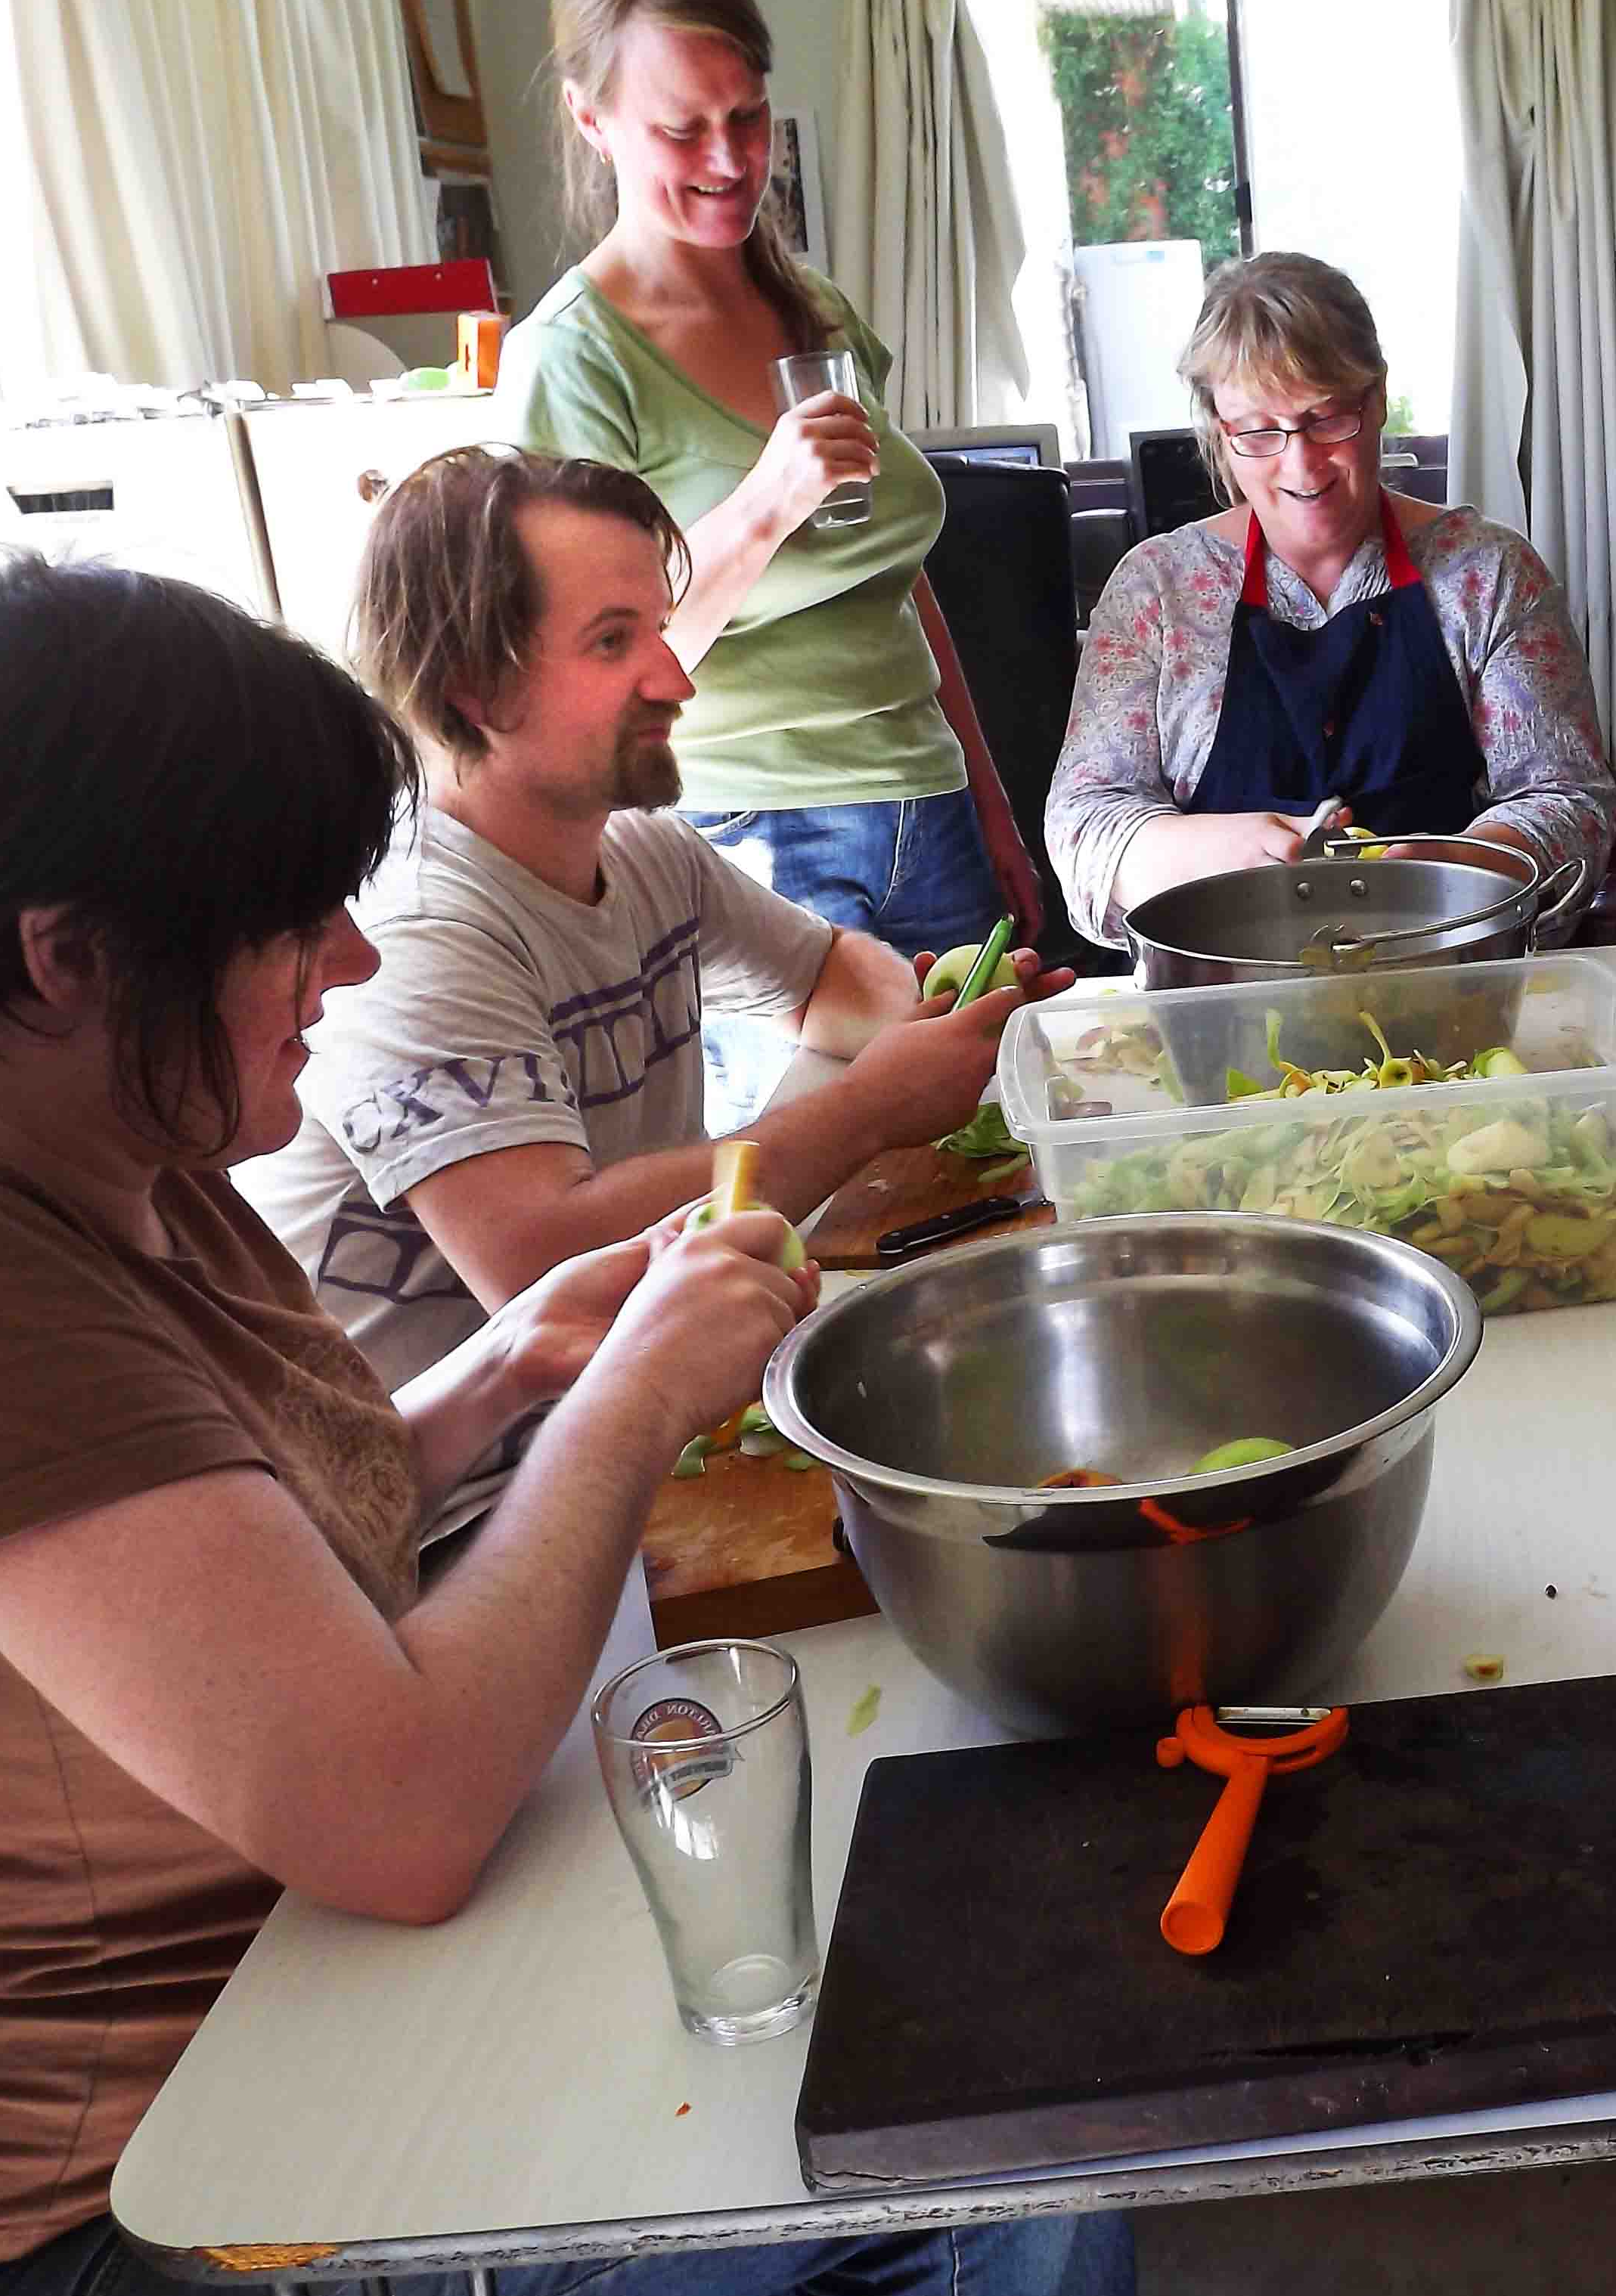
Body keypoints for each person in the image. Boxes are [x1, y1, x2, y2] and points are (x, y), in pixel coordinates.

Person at [0, 557, 1134, 2296]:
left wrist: (504, 1370)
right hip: (135, 2221)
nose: (347, 957)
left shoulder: (107, 1144)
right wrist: (628, 1395)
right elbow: (397, 1813)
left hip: (312, 2014)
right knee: (1012, 2116)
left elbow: (238, 1561)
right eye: (292, 917)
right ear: (65, 955)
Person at [235, 446, 1065, 1538]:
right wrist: (876, 1107)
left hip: (622, 1434)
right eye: (613, 642)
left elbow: (829, 979)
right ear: (474, 687)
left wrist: (930, 1008)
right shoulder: (421, 925)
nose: (677, 679)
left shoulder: (640, 849)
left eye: (660, 630)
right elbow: (541, 1260)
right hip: (446, 1525)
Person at [505, 0, 1007, 1124]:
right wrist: (765, 505)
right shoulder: (569, 362)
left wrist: (988, 793)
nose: (732, 160)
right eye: (685, 128)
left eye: (750, 117)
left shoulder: (813, 307)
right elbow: (600, 664)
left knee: (989, 1147)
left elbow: (897, 574)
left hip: (922, 799)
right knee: (803, 1191)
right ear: (593, 121)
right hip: (745, 832)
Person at [1045, 250, 1616, 949]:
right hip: (1210, 998)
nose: (1301, 463)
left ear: (1375, 401)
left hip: (1448, 973)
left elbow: (1571, 804)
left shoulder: (1489, 575)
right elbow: (1083, 820)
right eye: (1259, 431)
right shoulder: (1156, 592)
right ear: (1220, 436)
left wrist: (1450, 871)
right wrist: (1216, 856)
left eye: (1326, 418)